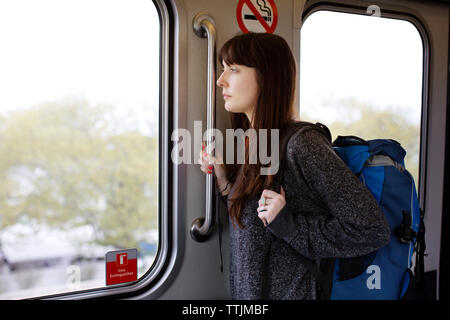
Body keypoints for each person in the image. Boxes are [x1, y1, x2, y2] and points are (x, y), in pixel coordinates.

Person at [198, 32, 390, 300]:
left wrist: (289, 226)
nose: (221, 80)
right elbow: (255, 219)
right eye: (223, 69)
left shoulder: (302, 145)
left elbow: (372, 230)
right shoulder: (251, 141)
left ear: (266, 77)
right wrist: (223, 178)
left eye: (233, 69)